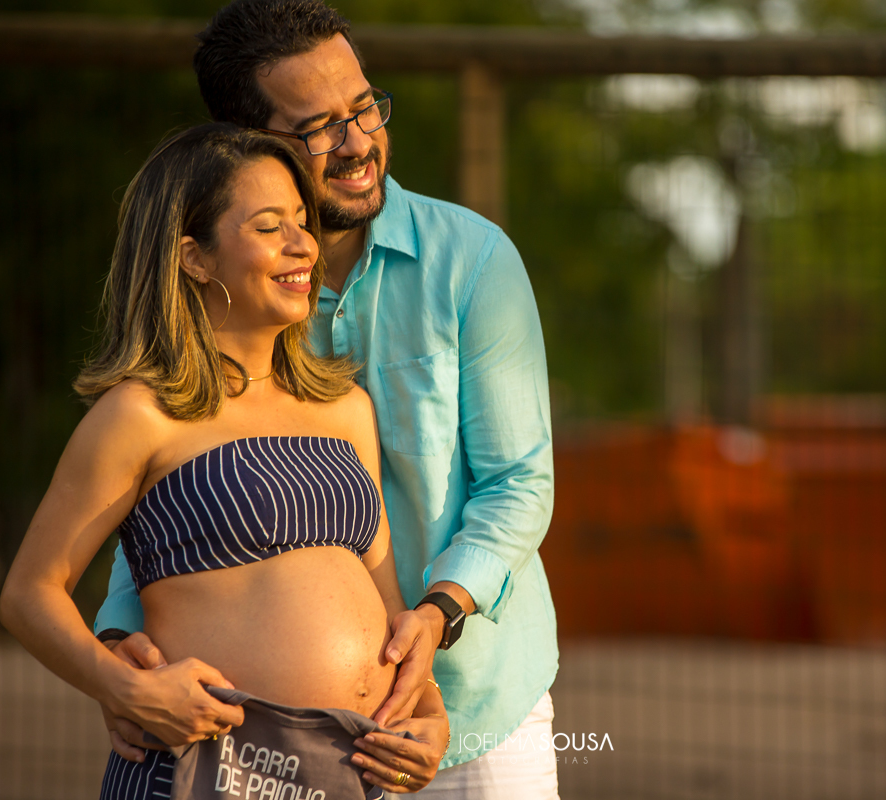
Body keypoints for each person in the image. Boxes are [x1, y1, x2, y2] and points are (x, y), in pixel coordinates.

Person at [94, 0, 560, 797]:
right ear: (248, 142)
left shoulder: (474, 261)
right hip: (263, 740)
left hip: (476, 711)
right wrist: (118, 642)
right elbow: (164, 481)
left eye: (365, 108)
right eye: (318, 129)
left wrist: (438, 613)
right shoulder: (230, 296)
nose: (357, 143)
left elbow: (520, 480)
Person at [0, 123, 450, 799]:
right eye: (270, 227)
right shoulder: (140, 415)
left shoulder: (346, 408)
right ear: (194, 258)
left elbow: (388, 609)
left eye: (302, 222)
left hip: (351, 771)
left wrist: (429, 713)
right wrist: (126, 689)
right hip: (206, 771)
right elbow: (28, 594)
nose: (303, 243)